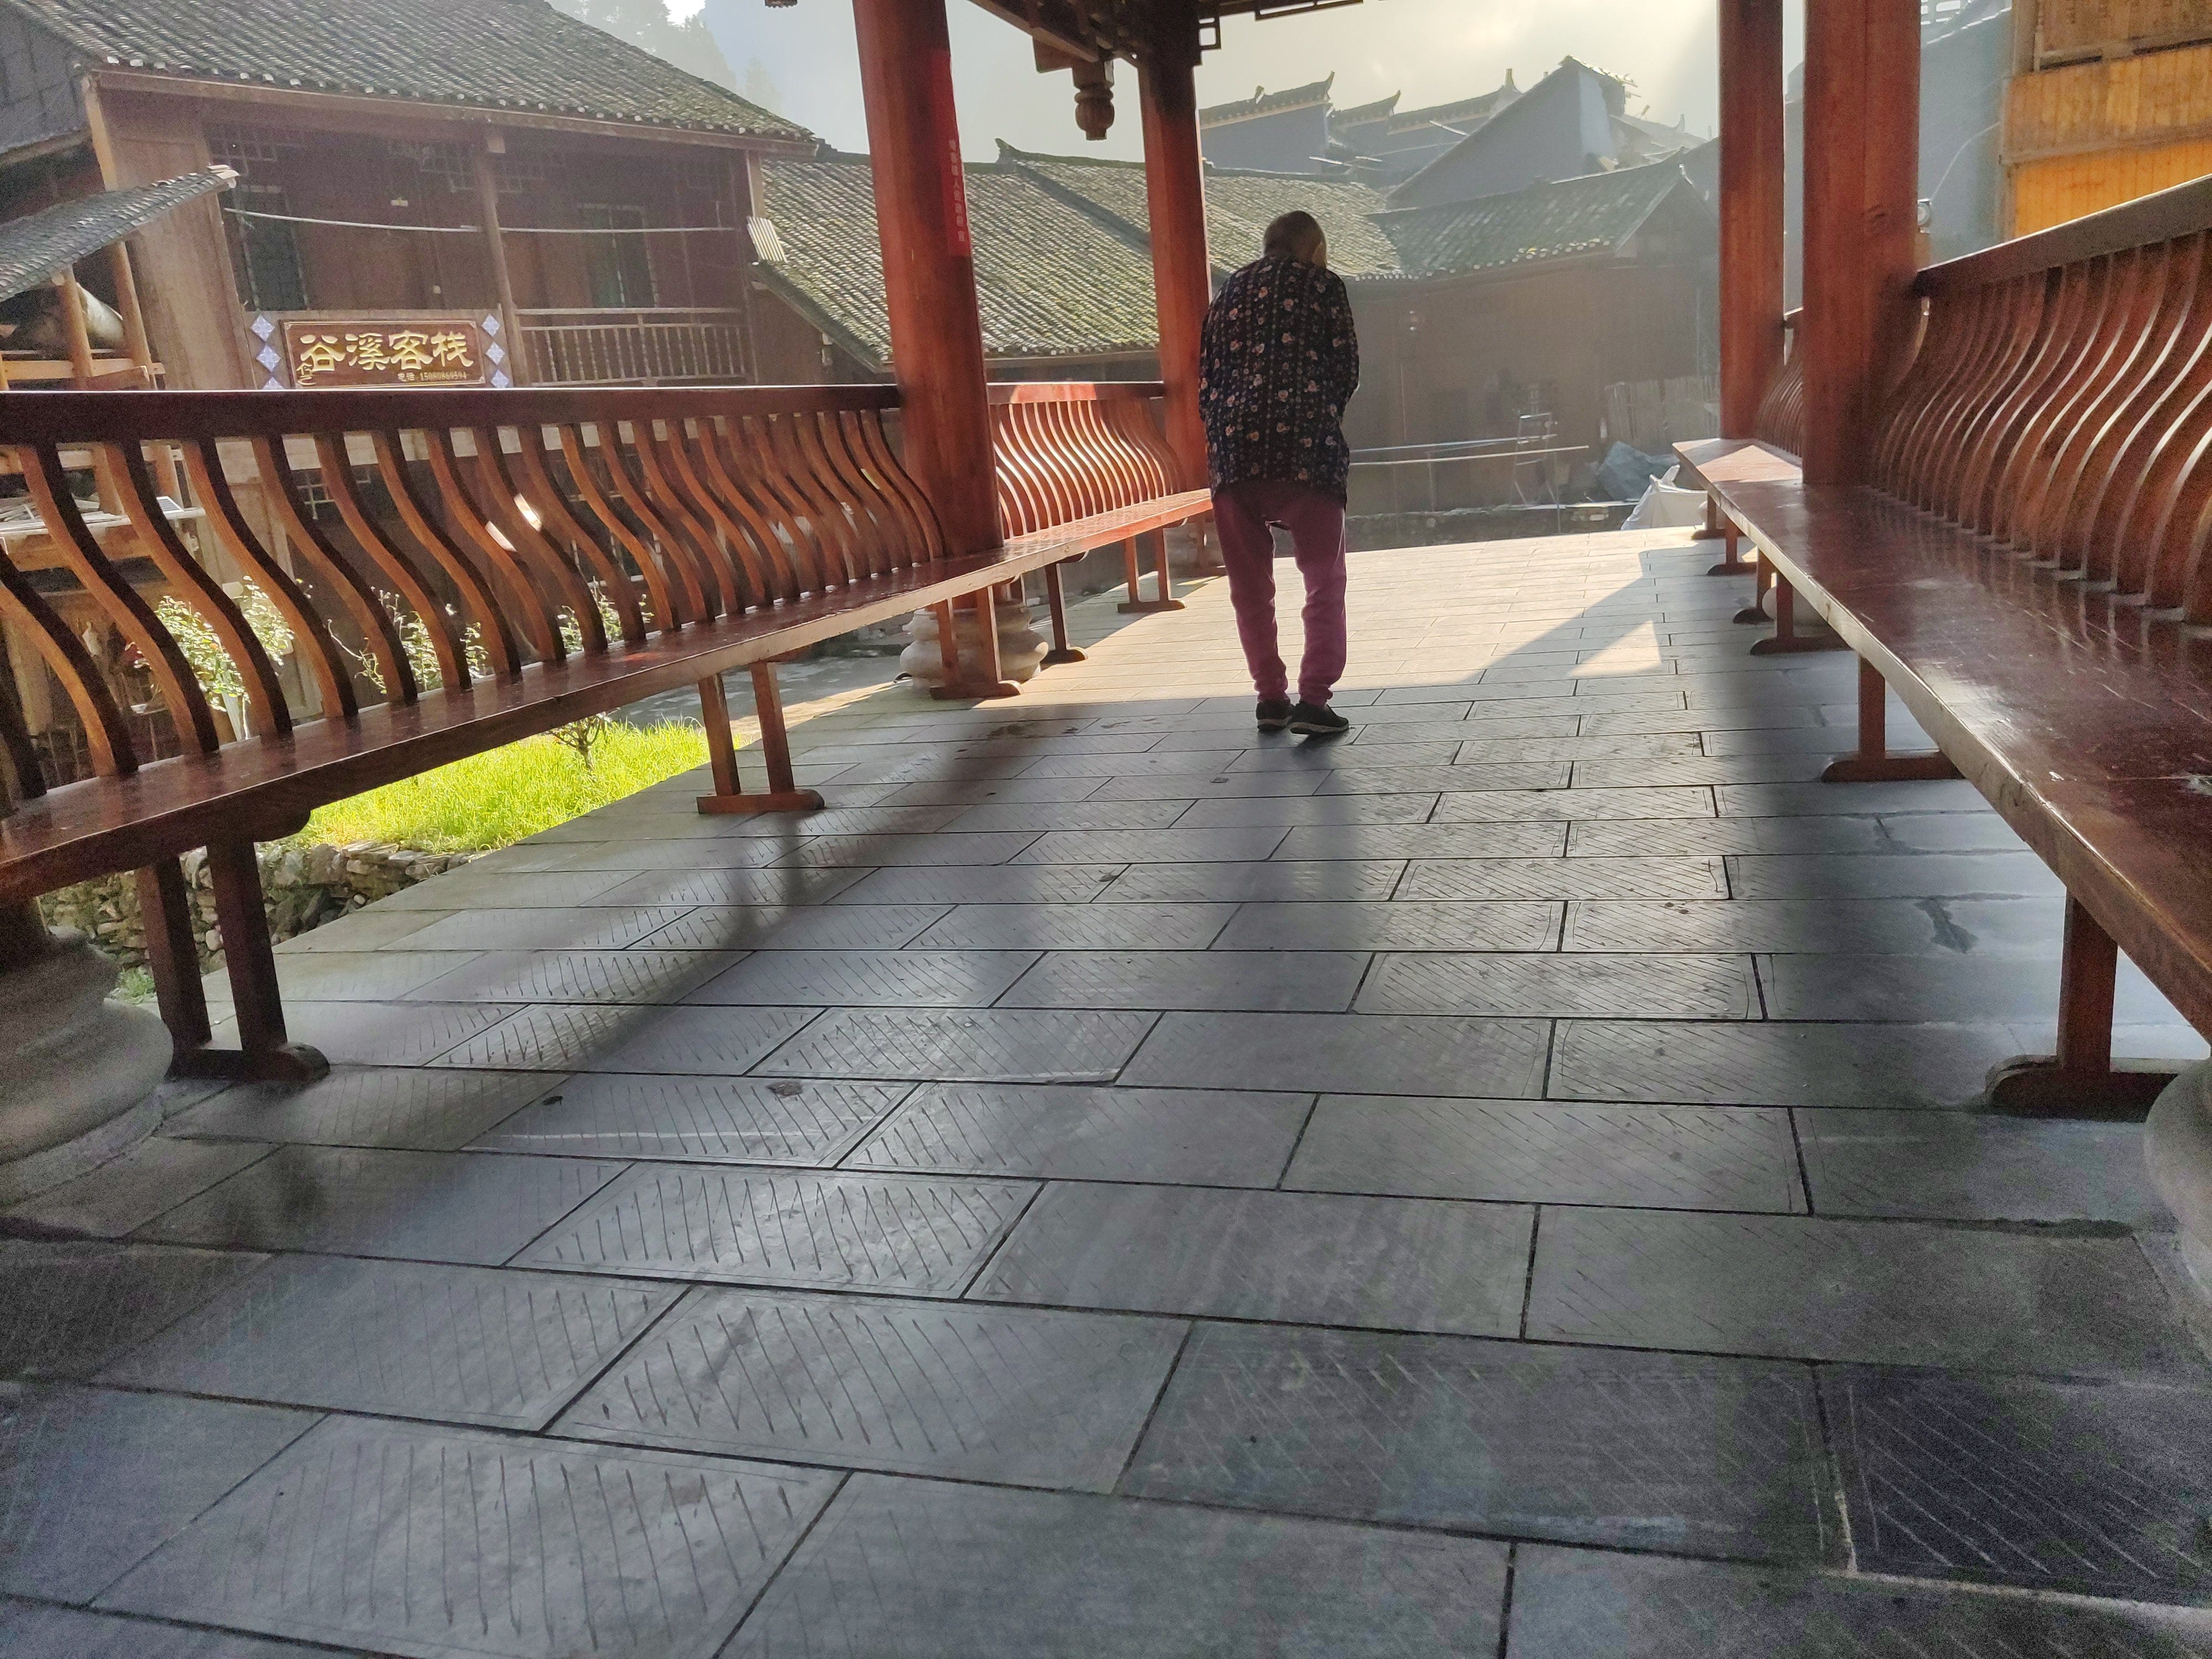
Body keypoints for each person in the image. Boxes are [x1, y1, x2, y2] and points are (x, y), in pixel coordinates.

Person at [1199, 208, 1360, 737]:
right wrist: (1319, 416)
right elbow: (1345, 370)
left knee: (1250, 588)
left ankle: (1270, 698)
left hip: (1234, 456)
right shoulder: (1323, 286)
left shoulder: (1227, 292)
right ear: (1314, 249)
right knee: (1323, 581)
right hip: (1306, 451)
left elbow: (1207, 378)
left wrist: (1227, 431)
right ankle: (1314, 701)